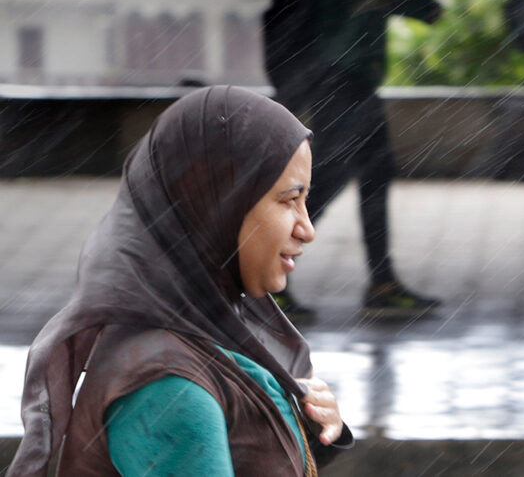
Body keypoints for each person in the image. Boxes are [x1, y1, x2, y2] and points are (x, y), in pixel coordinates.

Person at [10, 86, 351, 476]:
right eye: (289, 200)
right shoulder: (169, 386)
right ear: (221, 205)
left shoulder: (202, 335)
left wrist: (310, 429)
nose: (307, 229)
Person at [272, 0, 442, 322]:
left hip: (350, 69)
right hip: (339, 70)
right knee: (327, 179)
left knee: (374, 170)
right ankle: (262, 278)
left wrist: (409, 4)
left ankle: (383, 282)